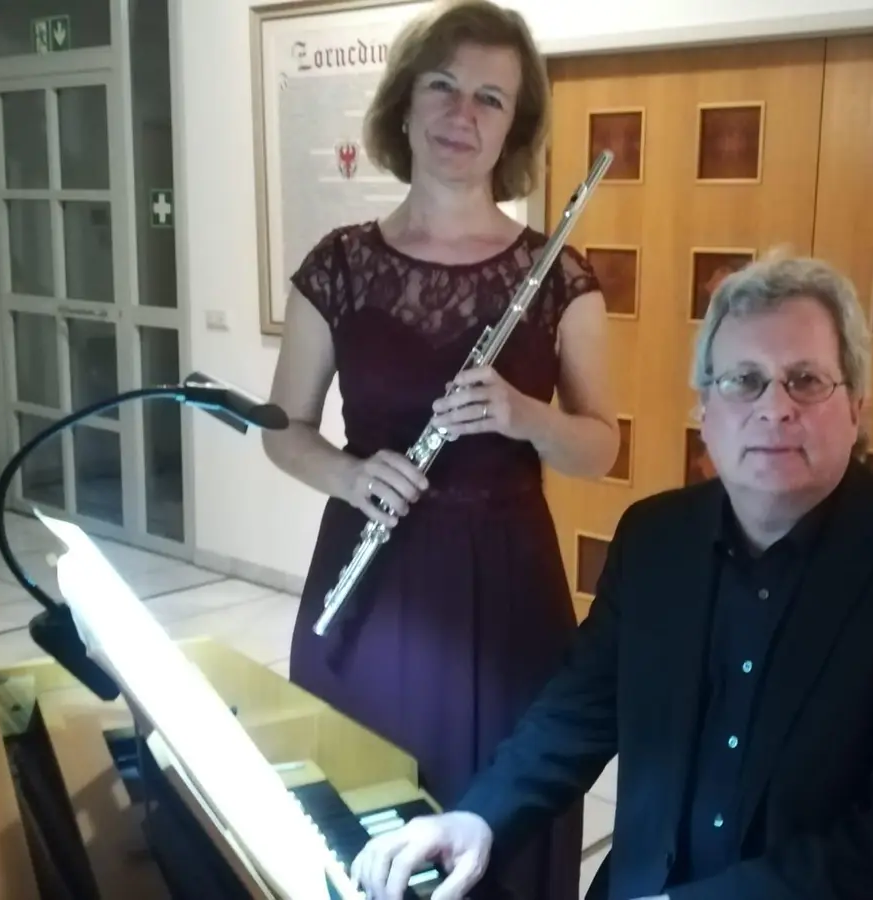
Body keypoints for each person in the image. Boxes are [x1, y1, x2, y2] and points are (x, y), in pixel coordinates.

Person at [350, 253, 873, 900]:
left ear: (857, 408)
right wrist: (479, 817)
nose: (775, 408)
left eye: (806, 380)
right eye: (743, 380)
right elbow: (578, 710)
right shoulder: (655, 539)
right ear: (705, 411)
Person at [262, 2, 617, 898]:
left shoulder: (560, 277)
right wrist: (346, 472)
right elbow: (282, 430)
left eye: (491, 99)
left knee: (492, 819)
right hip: (370, 578)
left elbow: (600, 447)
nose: (463, 114)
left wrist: (523, 415)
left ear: (515, 127)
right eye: (444, 86)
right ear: (407, 102)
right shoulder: (339, 265)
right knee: (360, 810)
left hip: (507, 596)